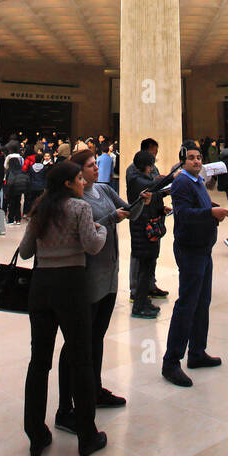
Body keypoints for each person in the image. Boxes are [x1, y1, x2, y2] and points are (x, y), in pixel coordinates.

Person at [19, 159, 108, 456]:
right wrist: (102, 231)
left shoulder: (40, 208)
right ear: (69, 184)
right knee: (81, 359)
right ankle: (86, 435)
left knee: (39, 362)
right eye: (80, 180)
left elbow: (25, 251)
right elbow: (93, 245)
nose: (84, 183)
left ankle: (36, 434)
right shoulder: (80, 209)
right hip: (71, 285)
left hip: (41, 287)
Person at [56, 150, 150, 429]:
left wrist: (142, 203)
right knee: (76, 344)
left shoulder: (104, 190)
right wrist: (112, 219)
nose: (96, 168)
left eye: (96, 163)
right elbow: (82, 236)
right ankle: (66, 407)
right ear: (77, 171)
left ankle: (93, 390)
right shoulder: (73, 200)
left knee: (96, 338)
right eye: (89, 165)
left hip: (108, 276)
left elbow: (129, 213)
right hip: (85, 279)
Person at [161, 142, 228, 387]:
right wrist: (209, 214)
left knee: (202, 302)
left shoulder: (196, 181)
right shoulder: (181, 182)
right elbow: (183, 215)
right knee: (187, 304)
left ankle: (197, 352)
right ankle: (171, 361)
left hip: (203, 248)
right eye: (191, 158)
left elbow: (198, 207)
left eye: (199, 157)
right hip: (190, 249)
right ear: (183, 161)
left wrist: (212, 208)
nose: (197, 161)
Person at [126, 137, 172, 304]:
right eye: (153, 153)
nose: (155, 157)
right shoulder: (133, 171)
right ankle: (136, 289)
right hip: (140, 217)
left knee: (152, 254)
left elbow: (156, 191)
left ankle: (149, 285)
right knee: (139, 254)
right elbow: (150, 187)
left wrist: (160, 206)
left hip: (154, 216)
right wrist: (169, 179)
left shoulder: (153, 169)